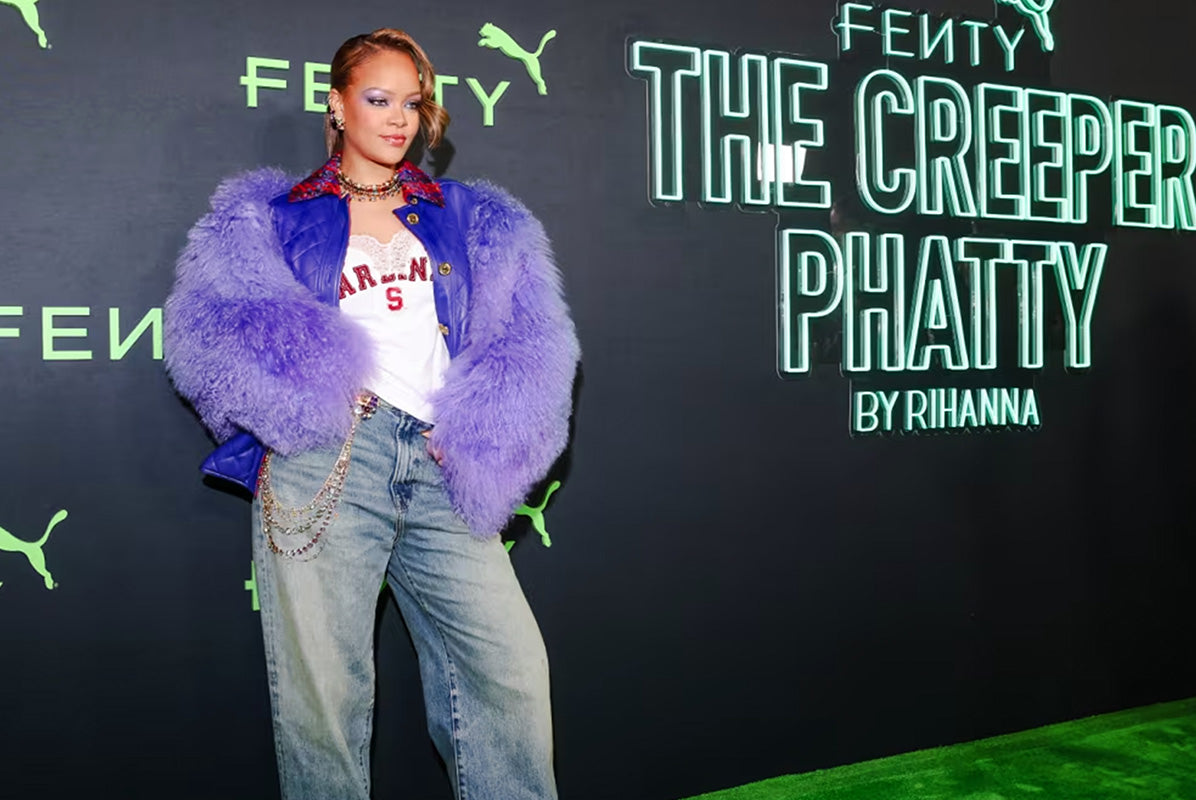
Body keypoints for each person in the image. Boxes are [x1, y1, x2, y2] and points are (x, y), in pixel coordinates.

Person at [163, 27, 578, 800]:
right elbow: (205, 330)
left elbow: (533, 341)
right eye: (378, 99)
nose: (398, 119)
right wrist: (305, 393)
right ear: (338, 104)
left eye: (412, 104)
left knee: (510, 673)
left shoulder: (472, 216)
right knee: (325, 698)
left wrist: (486, 429)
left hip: (443, 467)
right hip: (328, 459)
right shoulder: (272, 217)